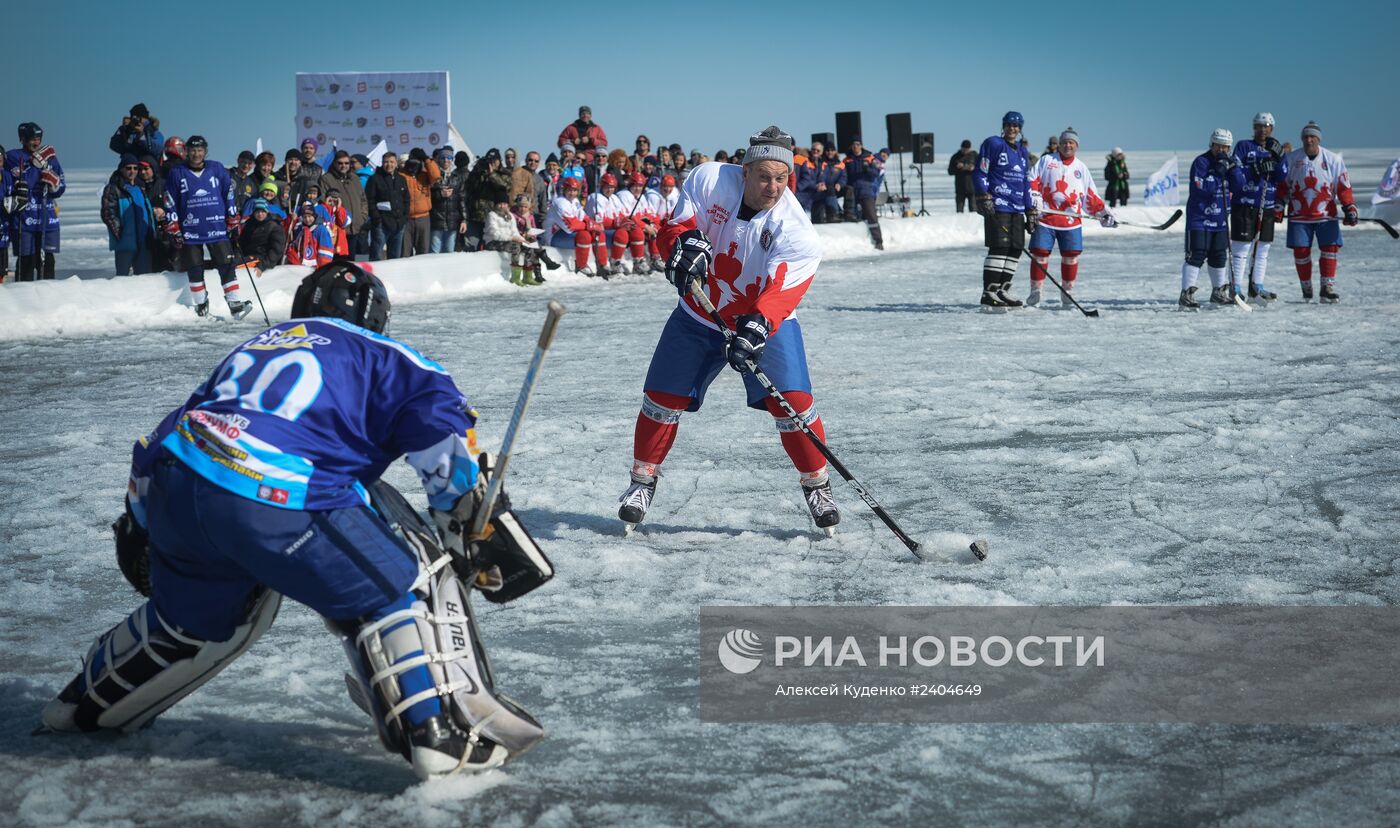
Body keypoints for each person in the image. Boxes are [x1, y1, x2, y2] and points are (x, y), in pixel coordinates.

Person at [40, 261, 545, 781]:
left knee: (191, 622)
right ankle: (439, 732)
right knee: (401, 581)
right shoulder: (389, 354)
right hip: (274, 493)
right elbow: (439, 429)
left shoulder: (254, 346)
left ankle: (81, 705)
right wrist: (465, 515)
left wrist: (143, 523)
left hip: (180, 478)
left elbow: (164, 433)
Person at [617, 125, 839, 535]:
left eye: (782, 178)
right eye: (764, 176)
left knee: (793, 403)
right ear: (744, 170)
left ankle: (817, 484)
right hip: (699, 313)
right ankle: (642, 481)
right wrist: (681, 248)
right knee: (661, 398)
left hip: (762, 320)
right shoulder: (710, 179)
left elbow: (782, 290)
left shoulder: (797, 231)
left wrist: (757, 326)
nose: (773, 187)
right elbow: (676, 226)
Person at [162, 136, 252, 318]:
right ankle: (201, 304)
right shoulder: (176, 172)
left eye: (200, 150)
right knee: (194, 267)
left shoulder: (216, 168)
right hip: (190, 230)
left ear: (206, 151)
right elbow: (169, 200)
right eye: (193, 150)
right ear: (186, 151)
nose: (196, 154)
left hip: (217, 227)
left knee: (226, 264)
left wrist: (233, 219)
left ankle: (234, 304)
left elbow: (228, 194)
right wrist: (173, 227)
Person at [1026, 127, 1115, 307]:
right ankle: (1036, 291)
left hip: (1070, 221)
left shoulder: (1081, 168)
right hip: (1046, 218)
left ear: (1076, 146)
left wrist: (1102, 213)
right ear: (1059, 144)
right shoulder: (1046, 160)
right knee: (1040, 254)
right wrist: (1034, 195)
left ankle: (1067, 291)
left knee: (1071, 256)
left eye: (1071, 143)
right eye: (1065, 142)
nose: (1067, 145)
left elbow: (1090, 195)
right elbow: (1032, 178)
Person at [1279, 121, 1357, 303]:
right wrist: (1278, 205)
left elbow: (1343, 187)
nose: (1309, 140)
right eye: (1306, 136)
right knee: (1301, 251)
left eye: (1312, 136)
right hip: (1299, 216)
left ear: (1318, 139)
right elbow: (1283, 186)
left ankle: (1327, 287)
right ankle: (1306, 286)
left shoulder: (1333, 160)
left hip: (1325, 215)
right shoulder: (1291, 159)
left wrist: (1349, 207)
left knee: (1330, 249)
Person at [973, 112, 1035, 308]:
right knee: (999, 247)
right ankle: (989, 292)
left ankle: (1002, 291)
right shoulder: (993, 144)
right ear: (1003, 126)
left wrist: (1030, 209)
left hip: (1017, 207)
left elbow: (1026, 183)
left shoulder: (1023, 152)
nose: (1012, 129)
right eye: (1009, 125)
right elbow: (980, 171)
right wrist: (983, 195)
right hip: (998, 204)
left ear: (1020, 128)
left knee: (1015, 249)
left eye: (1016, 126)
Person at [1180, 128, 1245, 309]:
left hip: (1221, 219)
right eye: (1219, 146)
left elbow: (1239, 185)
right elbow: (1203, 187)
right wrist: (1217, 172)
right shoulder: (1201, 162)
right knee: (1197, 254)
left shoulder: (1230, 162)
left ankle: (1218, 291)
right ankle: (1186, 293)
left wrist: (1232, 170)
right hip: (1199, 218)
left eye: (1226, 147)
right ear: (1212, 144)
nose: (1222, 150)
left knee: (1219, 256)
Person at [1229, 112, 1288, 302]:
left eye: (1266, 126)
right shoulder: (1243, 146)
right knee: (1242, 247)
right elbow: (1235, 171)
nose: (1262, 130)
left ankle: (1257, 286)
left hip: (1267, 204)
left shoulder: (1275, 148)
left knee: (1262, 248)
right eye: (1258, 126)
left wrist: (1279, 158)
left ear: (1272, 128)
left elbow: (1282, 176)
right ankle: (1235, 287)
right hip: (1245, 203)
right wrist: (1254, 169)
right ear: (1254, 128)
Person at [7, 122, 66, 281]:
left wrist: (55, 185)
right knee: (27, 261)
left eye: (39, 139)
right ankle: (24, 299)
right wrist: (32, 168)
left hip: (47, 218)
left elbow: (60, 187)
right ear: (23, 139)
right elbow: (15, 183)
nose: (36, 142)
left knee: (47, 261)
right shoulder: (13, 157)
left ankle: (48, 299)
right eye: (32, 139)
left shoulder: (50, 158)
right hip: (25, 219)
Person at [102, 154, 156, 275]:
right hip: (126, 242)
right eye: (128, 168)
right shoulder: (113, 188)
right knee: (122, 278)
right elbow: (107, 213)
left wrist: (151, 232)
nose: (132, 171)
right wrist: (119, 233)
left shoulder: (140, 188)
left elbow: (147, 211)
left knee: (144, 278)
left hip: (143, 241)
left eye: (135, 168)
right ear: (121, 169)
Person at [543, 177, 601, 276]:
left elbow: (583, 216)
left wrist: (593, 224)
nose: (572, 193)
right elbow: (571, 226)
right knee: (585, 235)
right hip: (554, 236)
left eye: (574, 190)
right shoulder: (560, 202)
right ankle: (581, 266)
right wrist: (589, 226)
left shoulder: (575, 201)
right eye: (569, 190)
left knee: (596, 232)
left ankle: (602, 263)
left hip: (565, 233)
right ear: (564, 190)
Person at [320, 150, 369, 256]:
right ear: (334, 163)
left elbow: (363, 199)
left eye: (346, 163)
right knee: (341, 261)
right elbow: (324, 203)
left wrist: (363, 216)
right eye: (340, 163)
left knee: (359, 260)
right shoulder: (326, 179)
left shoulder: (354, 178)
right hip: (339, 230)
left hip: (356, 227)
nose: (344, 166)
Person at [841, 137, 884, 249]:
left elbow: (876, 173)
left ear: (861, 145)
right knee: (851, 217)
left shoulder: (870, 158)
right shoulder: (847, 160)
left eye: (858, 144)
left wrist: (867, 169)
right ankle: (855, 246)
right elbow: (843, 176)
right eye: (854, 144)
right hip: (852, 192)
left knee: (871, 215)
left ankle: (878, 241)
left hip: (866, 191)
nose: (856, 146)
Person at [401, 148, 441, 257]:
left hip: (423, 218)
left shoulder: (426, 175)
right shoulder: (402, 175)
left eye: (417, 161)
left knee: (423, 252)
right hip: (406, 219)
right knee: (405, 252)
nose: (414, 164)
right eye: (412, 161)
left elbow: (436, 175)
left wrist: (427, 159)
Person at [237, 198, 286, 271]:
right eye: (257, 212)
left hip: (263, 260)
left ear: (267, 212)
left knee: (237, 268)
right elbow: (241, 243)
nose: (260, 214)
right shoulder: (249, 224)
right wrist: (238, 254)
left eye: (263, 211)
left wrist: (263, 265)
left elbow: (276, 250)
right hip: (248, 257)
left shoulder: (274, 227)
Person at [286, 200, 336, 266]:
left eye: (309, 216)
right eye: (304, 217)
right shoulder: (301, 228)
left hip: (315, 266)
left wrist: (321, 268)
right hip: (301, 265)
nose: (307, 219)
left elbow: (326, 252)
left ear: (314, 216)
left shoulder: (321, 230)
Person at [813, 144, 846, 225]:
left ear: (835, 151)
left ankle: (848, 213)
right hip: (823, 188)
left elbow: (844, 177)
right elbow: (819, 175)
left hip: (836, 188)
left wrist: (840, 184)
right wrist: (821, 182)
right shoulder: (821, 162)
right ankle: (833, 214)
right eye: (828, 150)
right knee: (829, 191)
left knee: (850, 189)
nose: (830, 152)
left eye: (832, 150)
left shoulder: (840, 164)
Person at [947, 139, 978, 213]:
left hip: (972, 189)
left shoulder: (975, 156)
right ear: (961, 148)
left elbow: (982, 169)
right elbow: (950, 171)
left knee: (974, 210)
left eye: (967, 149)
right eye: (963, 149)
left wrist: (973, 168)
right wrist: (957, 168)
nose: (965, 151)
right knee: (959, 211)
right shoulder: (955, 157)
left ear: (970, 148)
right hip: (960, 189)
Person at [793, 144, 819, 216]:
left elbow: (807, 178)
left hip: (800, 192)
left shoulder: (802, 160)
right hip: (803, 193)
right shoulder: (801, 159)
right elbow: (807, 178)